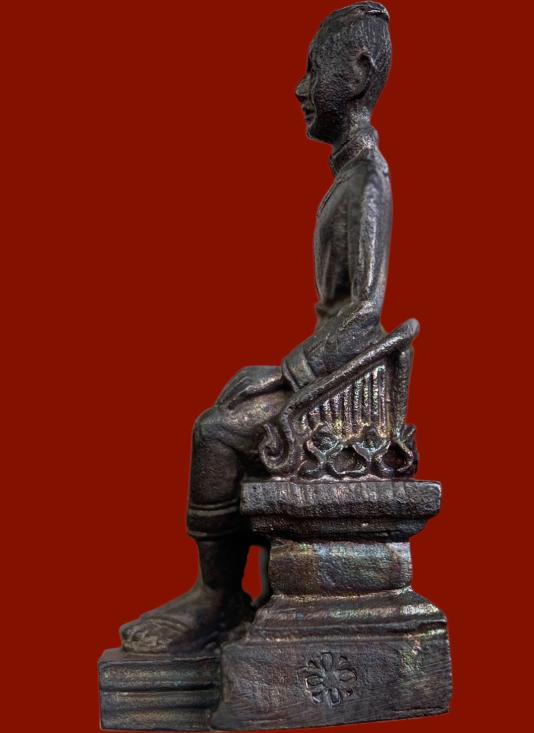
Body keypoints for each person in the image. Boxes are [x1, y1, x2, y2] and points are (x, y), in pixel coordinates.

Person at [121, 2, 394, 653]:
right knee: (231, 396)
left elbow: (364, 314)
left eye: (313, 69)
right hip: (323, 375)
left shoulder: (366, 182)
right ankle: (220, 596)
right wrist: (276, 372)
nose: (301, 88)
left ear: (358, 72)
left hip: (338, 392)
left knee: (215, 432)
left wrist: (284, 376)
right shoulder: (348, 178)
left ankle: (217, 595)